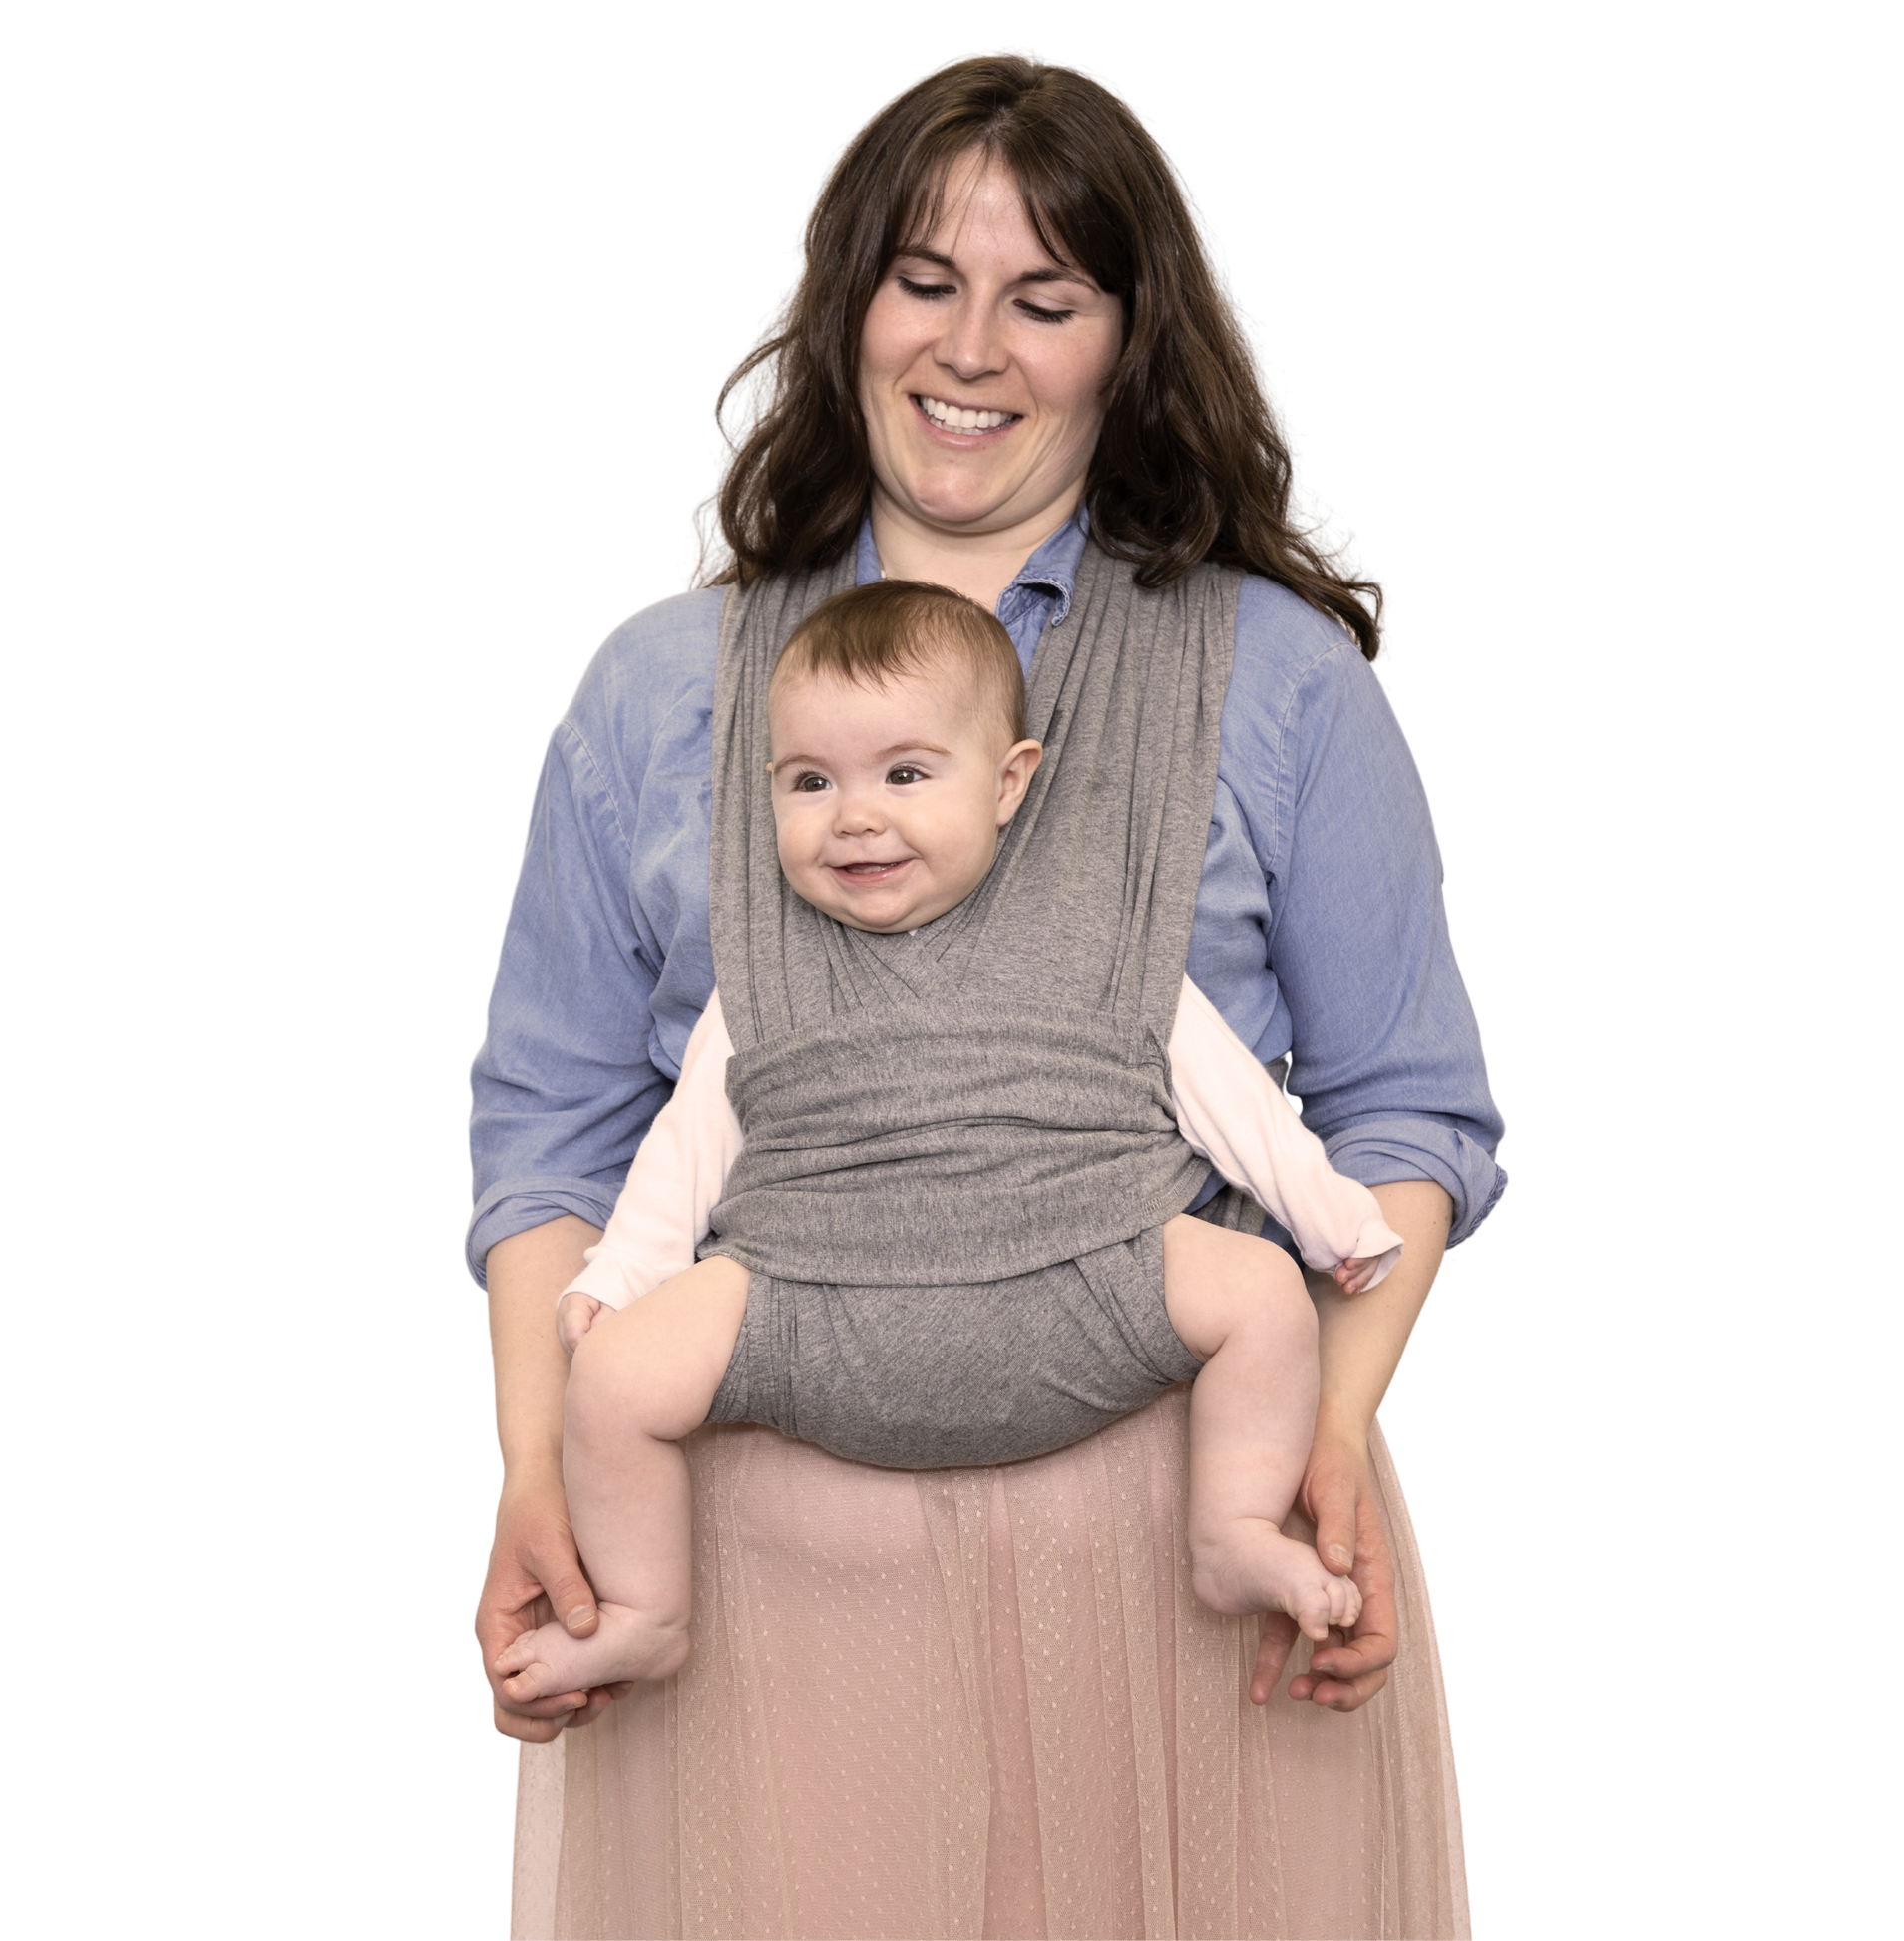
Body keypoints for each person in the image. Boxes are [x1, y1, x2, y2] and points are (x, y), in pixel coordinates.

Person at [470, 47, 1507, 1938]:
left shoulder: (1285, 686)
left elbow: (1406, 1110)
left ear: (1128, 340)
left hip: (1210, 1552)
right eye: (926, 280)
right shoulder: (653, 687)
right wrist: (540, 1460)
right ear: (844, 298)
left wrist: (1331, 1428)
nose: (975, 348)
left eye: (1048, 297)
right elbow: (553, 1132)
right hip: (749, 1590)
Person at [491, 580, 1406, 1707]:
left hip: (1088, 1277)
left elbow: (1228, 1098)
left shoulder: (1098, 937)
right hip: (808, 1303)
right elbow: (687, 1143)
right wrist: (622, 1276)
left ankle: (1229, 1526)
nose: (854, 815)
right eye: (809, 781)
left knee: (1263, 1292)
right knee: (612, 1377)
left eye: (905, 774)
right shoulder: (765, 971)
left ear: (1011, 780)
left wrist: (1327, 1218)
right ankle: (647, 1609)